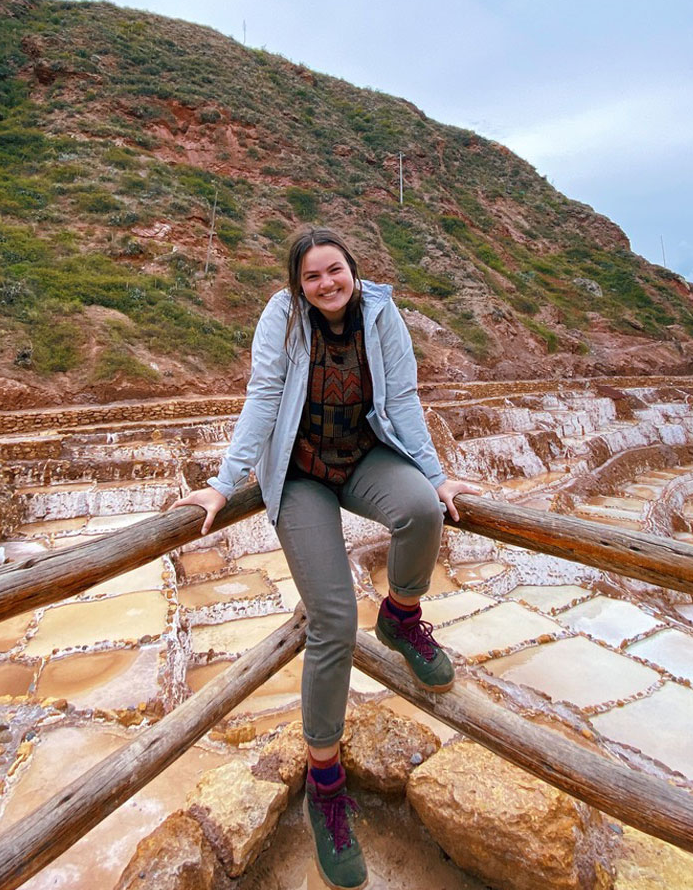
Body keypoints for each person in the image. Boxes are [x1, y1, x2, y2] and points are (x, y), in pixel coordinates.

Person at [174, 227, 481, 890]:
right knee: (334, 619)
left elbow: (400, 399)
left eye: (333, 272)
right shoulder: (283, 317)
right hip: (303, 472)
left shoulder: (381, 312)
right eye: (312, 277)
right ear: (299, 284)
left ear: (352, 271)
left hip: (366, 455)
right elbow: (261, 398)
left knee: (424, 511)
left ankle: (402, 615)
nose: (325, 285)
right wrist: (226, 483)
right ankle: (326, 784)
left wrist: (435, 472)